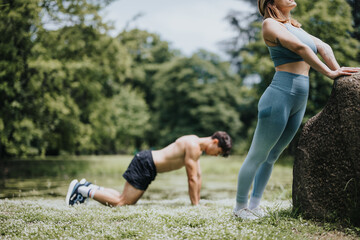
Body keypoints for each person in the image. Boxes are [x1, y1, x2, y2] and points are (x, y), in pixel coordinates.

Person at [233, 0, 359, 220]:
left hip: (299, 98)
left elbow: (323, 46)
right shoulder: (270, 24)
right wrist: (329, 73)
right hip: (278, 96)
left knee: (272, 156)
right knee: (258, 154)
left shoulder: (295, 26)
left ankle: (254, 205)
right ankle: (239, 208)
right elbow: (300, 49)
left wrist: (337, 68)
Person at [66, 131, 232, 207]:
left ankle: (90, 188)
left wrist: (198, 203)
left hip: (148, 165)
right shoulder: (193, 145)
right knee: (122, 203)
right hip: (146, 163)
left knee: (122, 198)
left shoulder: (197, 148)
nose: (216, 155)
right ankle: (80, 190)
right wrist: (195, 206)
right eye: (218, 153)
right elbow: (192, 179)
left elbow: (198, 176)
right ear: (215, 142)